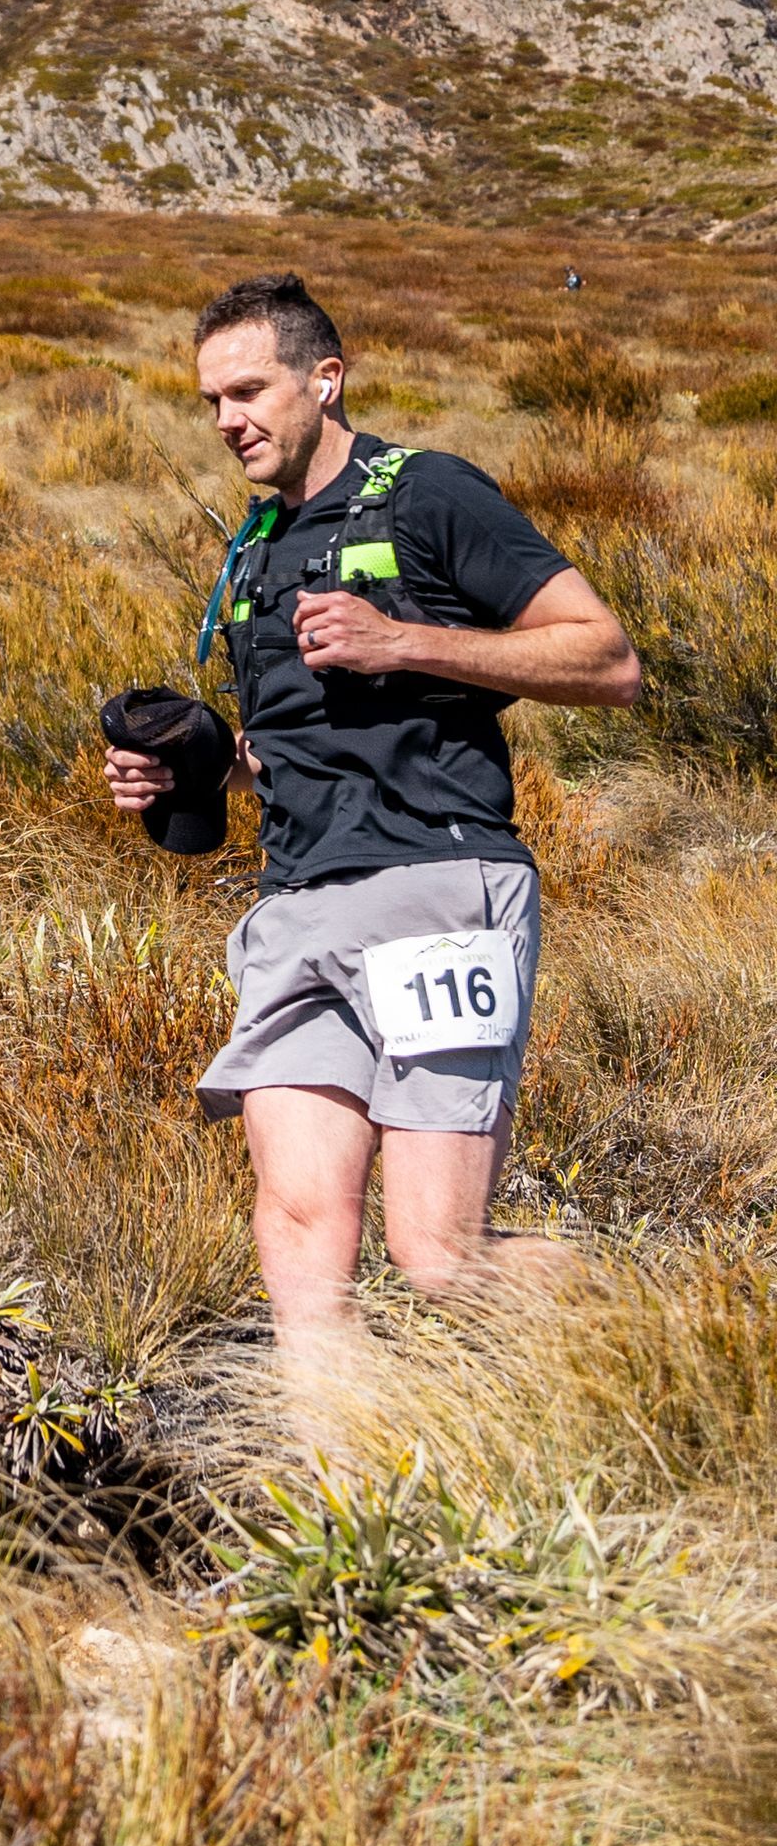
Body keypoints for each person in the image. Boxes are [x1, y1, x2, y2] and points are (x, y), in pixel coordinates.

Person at [104, 271, 639, 1351]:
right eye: (209, 399)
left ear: (326, 378)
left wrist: (407, 639)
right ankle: (327, 1495)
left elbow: (609, 657)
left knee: (441, 1258)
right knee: (302, 1239)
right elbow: (297, 754)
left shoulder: (429, 493)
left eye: (248, 389)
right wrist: (199, 775)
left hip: (440, 893)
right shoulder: (252, 547)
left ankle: (663, 1325)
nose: (226, 419)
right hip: (295, 908)